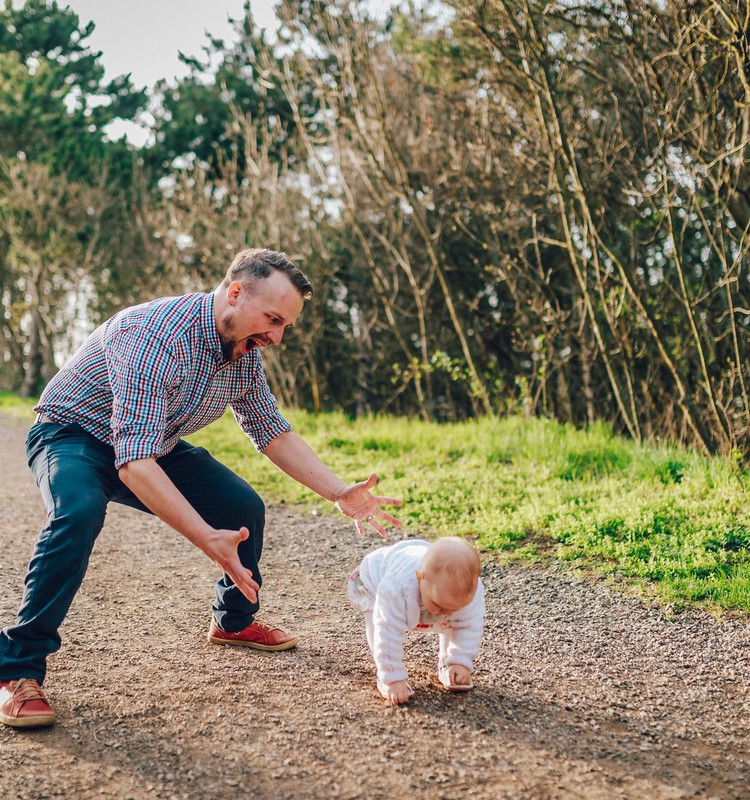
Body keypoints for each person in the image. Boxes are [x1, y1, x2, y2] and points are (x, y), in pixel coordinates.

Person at [0, 247, 402, 729]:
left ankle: (232, 622)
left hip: (152, 440)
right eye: (272, 319)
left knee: (242, 506)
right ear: (234, 294)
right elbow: (132, 465)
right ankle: (17, 669)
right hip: (72, 436)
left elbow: (270, 430)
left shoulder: (241, 351)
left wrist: (339, 492)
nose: (275, 337)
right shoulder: (151, 336)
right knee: (79, 511)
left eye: (284, 327)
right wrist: (204, 537)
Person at [347, 536, 484, 706]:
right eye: (439, 605)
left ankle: (449, 664)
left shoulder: (469, 591)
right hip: (376, 579)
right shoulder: (396, 588)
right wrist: (393, 678)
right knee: (378, 621)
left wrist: (461, 661)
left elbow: (469, 626)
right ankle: (385, 676)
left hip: (417, 572)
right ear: (420, 577)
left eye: (454, 607)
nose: (445, 612)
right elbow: (387, 631)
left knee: (456, 621)